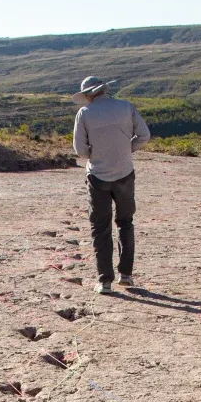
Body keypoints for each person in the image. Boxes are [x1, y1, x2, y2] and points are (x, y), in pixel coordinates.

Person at [72, 76, 151, 294]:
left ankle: (105, 280)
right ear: (104, 90)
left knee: (100, 227)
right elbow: (144, 136)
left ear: (88, 95)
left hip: (97, 176)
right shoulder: (126, 106)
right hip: (125, 172)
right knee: (125, 222)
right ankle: (126, 274)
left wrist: (95, 156)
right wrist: (127, 150)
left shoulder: (85, 113)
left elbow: (79, 150)